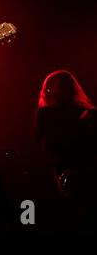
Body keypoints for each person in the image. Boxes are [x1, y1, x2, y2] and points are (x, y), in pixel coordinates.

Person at [35, 69, 97, 233]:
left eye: (68, 85)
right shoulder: (46, 114)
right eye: (62, 85)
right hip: (69, 178)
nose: (67, 88)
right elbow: (51, 148)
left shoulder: (90, 113)